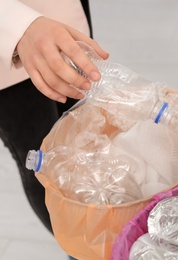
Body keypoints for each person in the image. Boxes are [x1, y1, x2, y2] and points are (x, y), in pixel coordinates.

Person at [0, 0, 109, 235]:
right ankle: (83, 246)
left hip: (62, 15)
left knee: (91, 141)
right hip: (9, 46)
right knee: (44, 164)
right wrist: (16, 25)